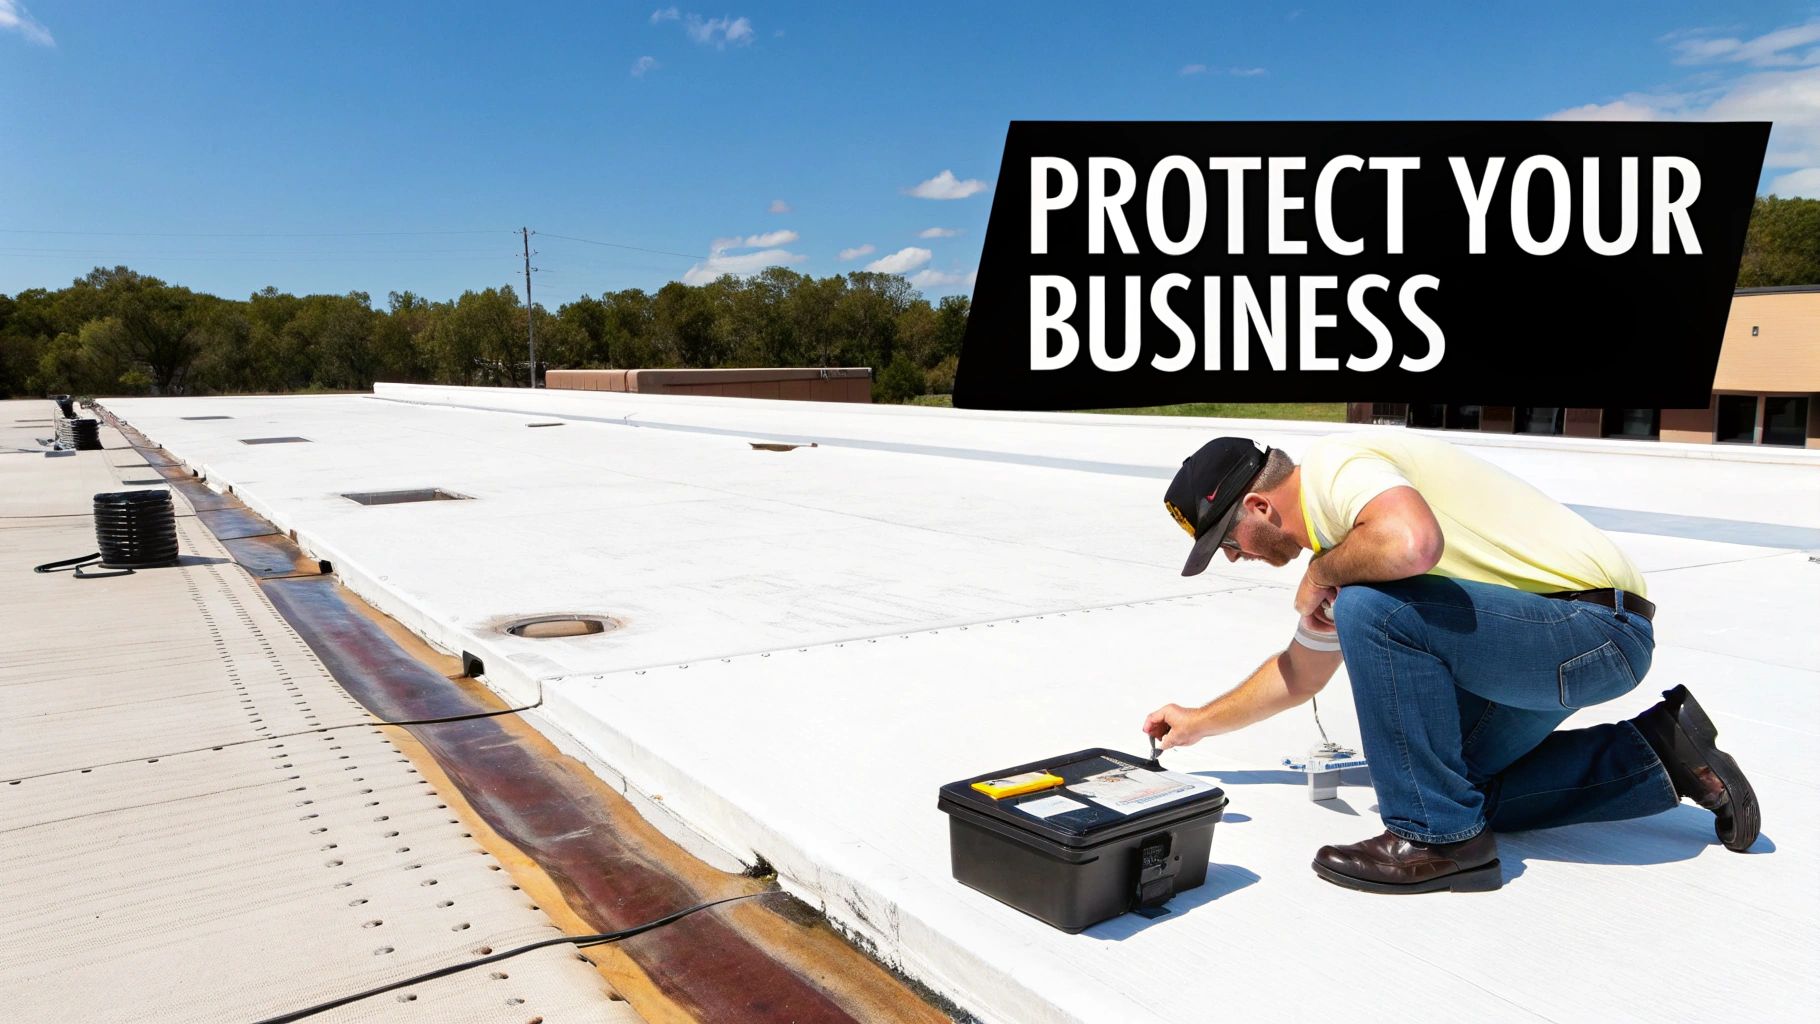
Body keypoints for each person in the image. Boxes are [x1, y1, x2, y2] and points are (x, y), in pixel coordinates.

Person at [1143, 433, 1760, 894]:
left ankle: (1436, 837)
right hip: (1552, 646)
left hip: (1595, 631)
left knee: (1369, 609)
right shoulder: (1347, 543)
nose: (1231, 557)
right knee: (1452, 781)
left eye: (1225, 541)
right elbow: (1300, 673)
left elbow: (1415, 543)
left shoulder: (1338, 471)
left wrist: (1323, 573)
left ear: (1258, 505)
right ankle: (1661, 754)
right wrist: (1198, 721)